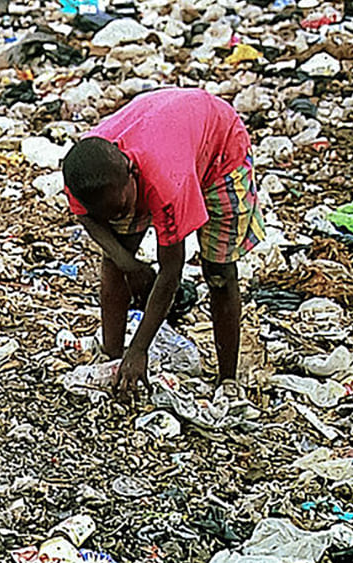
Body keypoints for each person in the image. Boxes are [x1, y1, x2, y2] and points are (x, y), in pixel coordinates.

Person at [61, 88, 266, 400]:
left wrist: (140, 349)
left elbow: (171, 272)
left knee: (219, 273)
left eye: (121, 207)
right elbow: (88, 218)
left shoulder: (165, 183)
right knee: (115, 260)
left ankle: (227, 381)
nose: (119, 216)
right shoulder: (85, 174)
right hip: (164, 127)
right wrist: (129, 264)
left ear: (132, 173)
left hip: (221, 150)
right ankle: (112, 359)